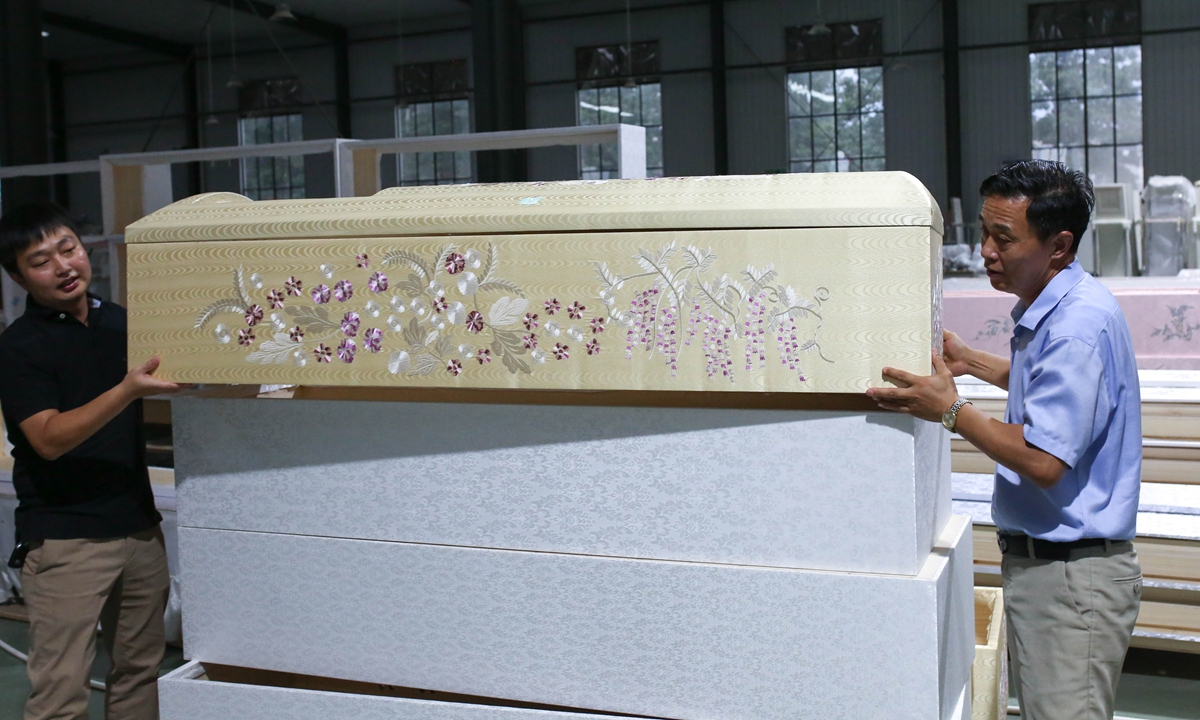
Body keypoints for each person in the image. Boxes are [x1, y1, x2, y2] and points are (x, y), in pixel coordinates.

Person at [867, 160, 1142, 720]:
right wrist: (971, 362)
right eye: (984, 233)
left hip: (1070, 577)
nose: (986, 251)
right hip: (1058, 572)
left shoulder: (1072, 328)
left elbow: (1043, 460)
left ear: (1059, 244)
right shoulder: (1069, 307)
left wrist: (950, 410)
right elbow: (1053, 391)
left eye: (1004, 238)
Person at [0, 202, 183, 720]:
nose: (63, 266)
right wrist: (126, 390)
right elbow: (50, 440)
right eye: (40, 261)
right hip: (66, 539)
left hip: (139, 529)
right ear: (17, 276)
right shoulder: (19, 348)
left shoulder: (120, 324)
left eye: (69, 249)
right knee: (61, 691)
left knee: (139, 673)